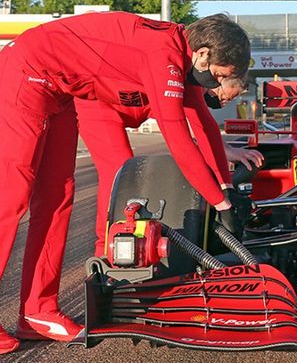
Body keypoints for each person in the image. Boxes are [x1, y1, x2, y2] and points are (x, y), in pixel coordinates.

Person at [0, 11, 251, 354]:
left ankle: (37, 312)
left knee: (58, 196)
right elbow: (178, 139)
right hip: (26, 71)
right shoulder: (162, 54)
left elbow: (204, 126)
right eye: (220, 75)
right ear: (204, 54)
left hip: (60, 91)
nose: (216, 83)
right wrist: (219, 204)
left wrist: (225, 189)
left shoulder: (181, 55)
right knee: (10, 196)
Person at [76, 76, 264, 259]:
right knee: (120, 175)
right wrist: (222, 192)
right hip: (98, 103)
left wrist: (225, 154)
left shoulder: (193, 86)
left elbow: (199, 126)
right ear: (217, 79)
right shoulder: (186, 80)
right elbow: (188, 136)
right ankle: (105, 251)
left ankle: (139, 244)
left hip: (134, 100)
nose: (224, 103)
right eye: (227, 97)